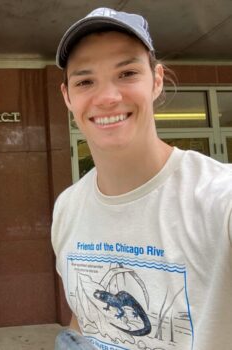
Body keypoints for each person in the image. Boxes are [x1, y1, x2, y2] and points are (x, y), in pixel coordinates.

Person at [52, 7, 232, 350]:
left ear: (157, 80)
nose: (107, 97)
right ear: (67, 97)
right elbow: (83, 320)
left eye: (127, 73)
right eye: (85, 81)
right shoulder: (67, 208)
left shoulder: (218, 198)